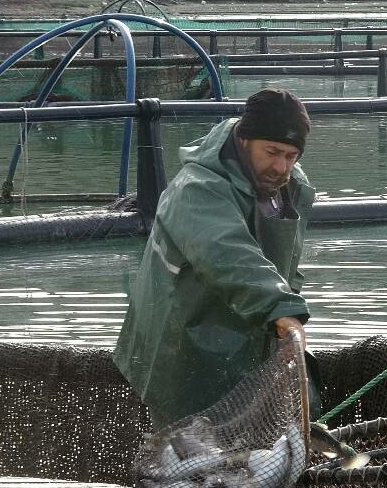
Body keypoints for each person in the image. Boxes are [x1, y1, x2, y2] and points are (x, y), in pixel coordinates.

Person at [115, 88, 314, 428]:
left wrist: (285, 311)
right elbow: (228, 253)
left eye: (292, 156)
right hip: (180, 347)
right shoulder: (196, 187)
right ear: (243, 140)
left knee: (243, 454)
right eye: (273, 152)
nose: (282, 167)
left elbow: (288, 266)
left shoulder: (293, 187)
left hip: (247, 338)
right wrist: (282, 309)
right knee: (185, 455)